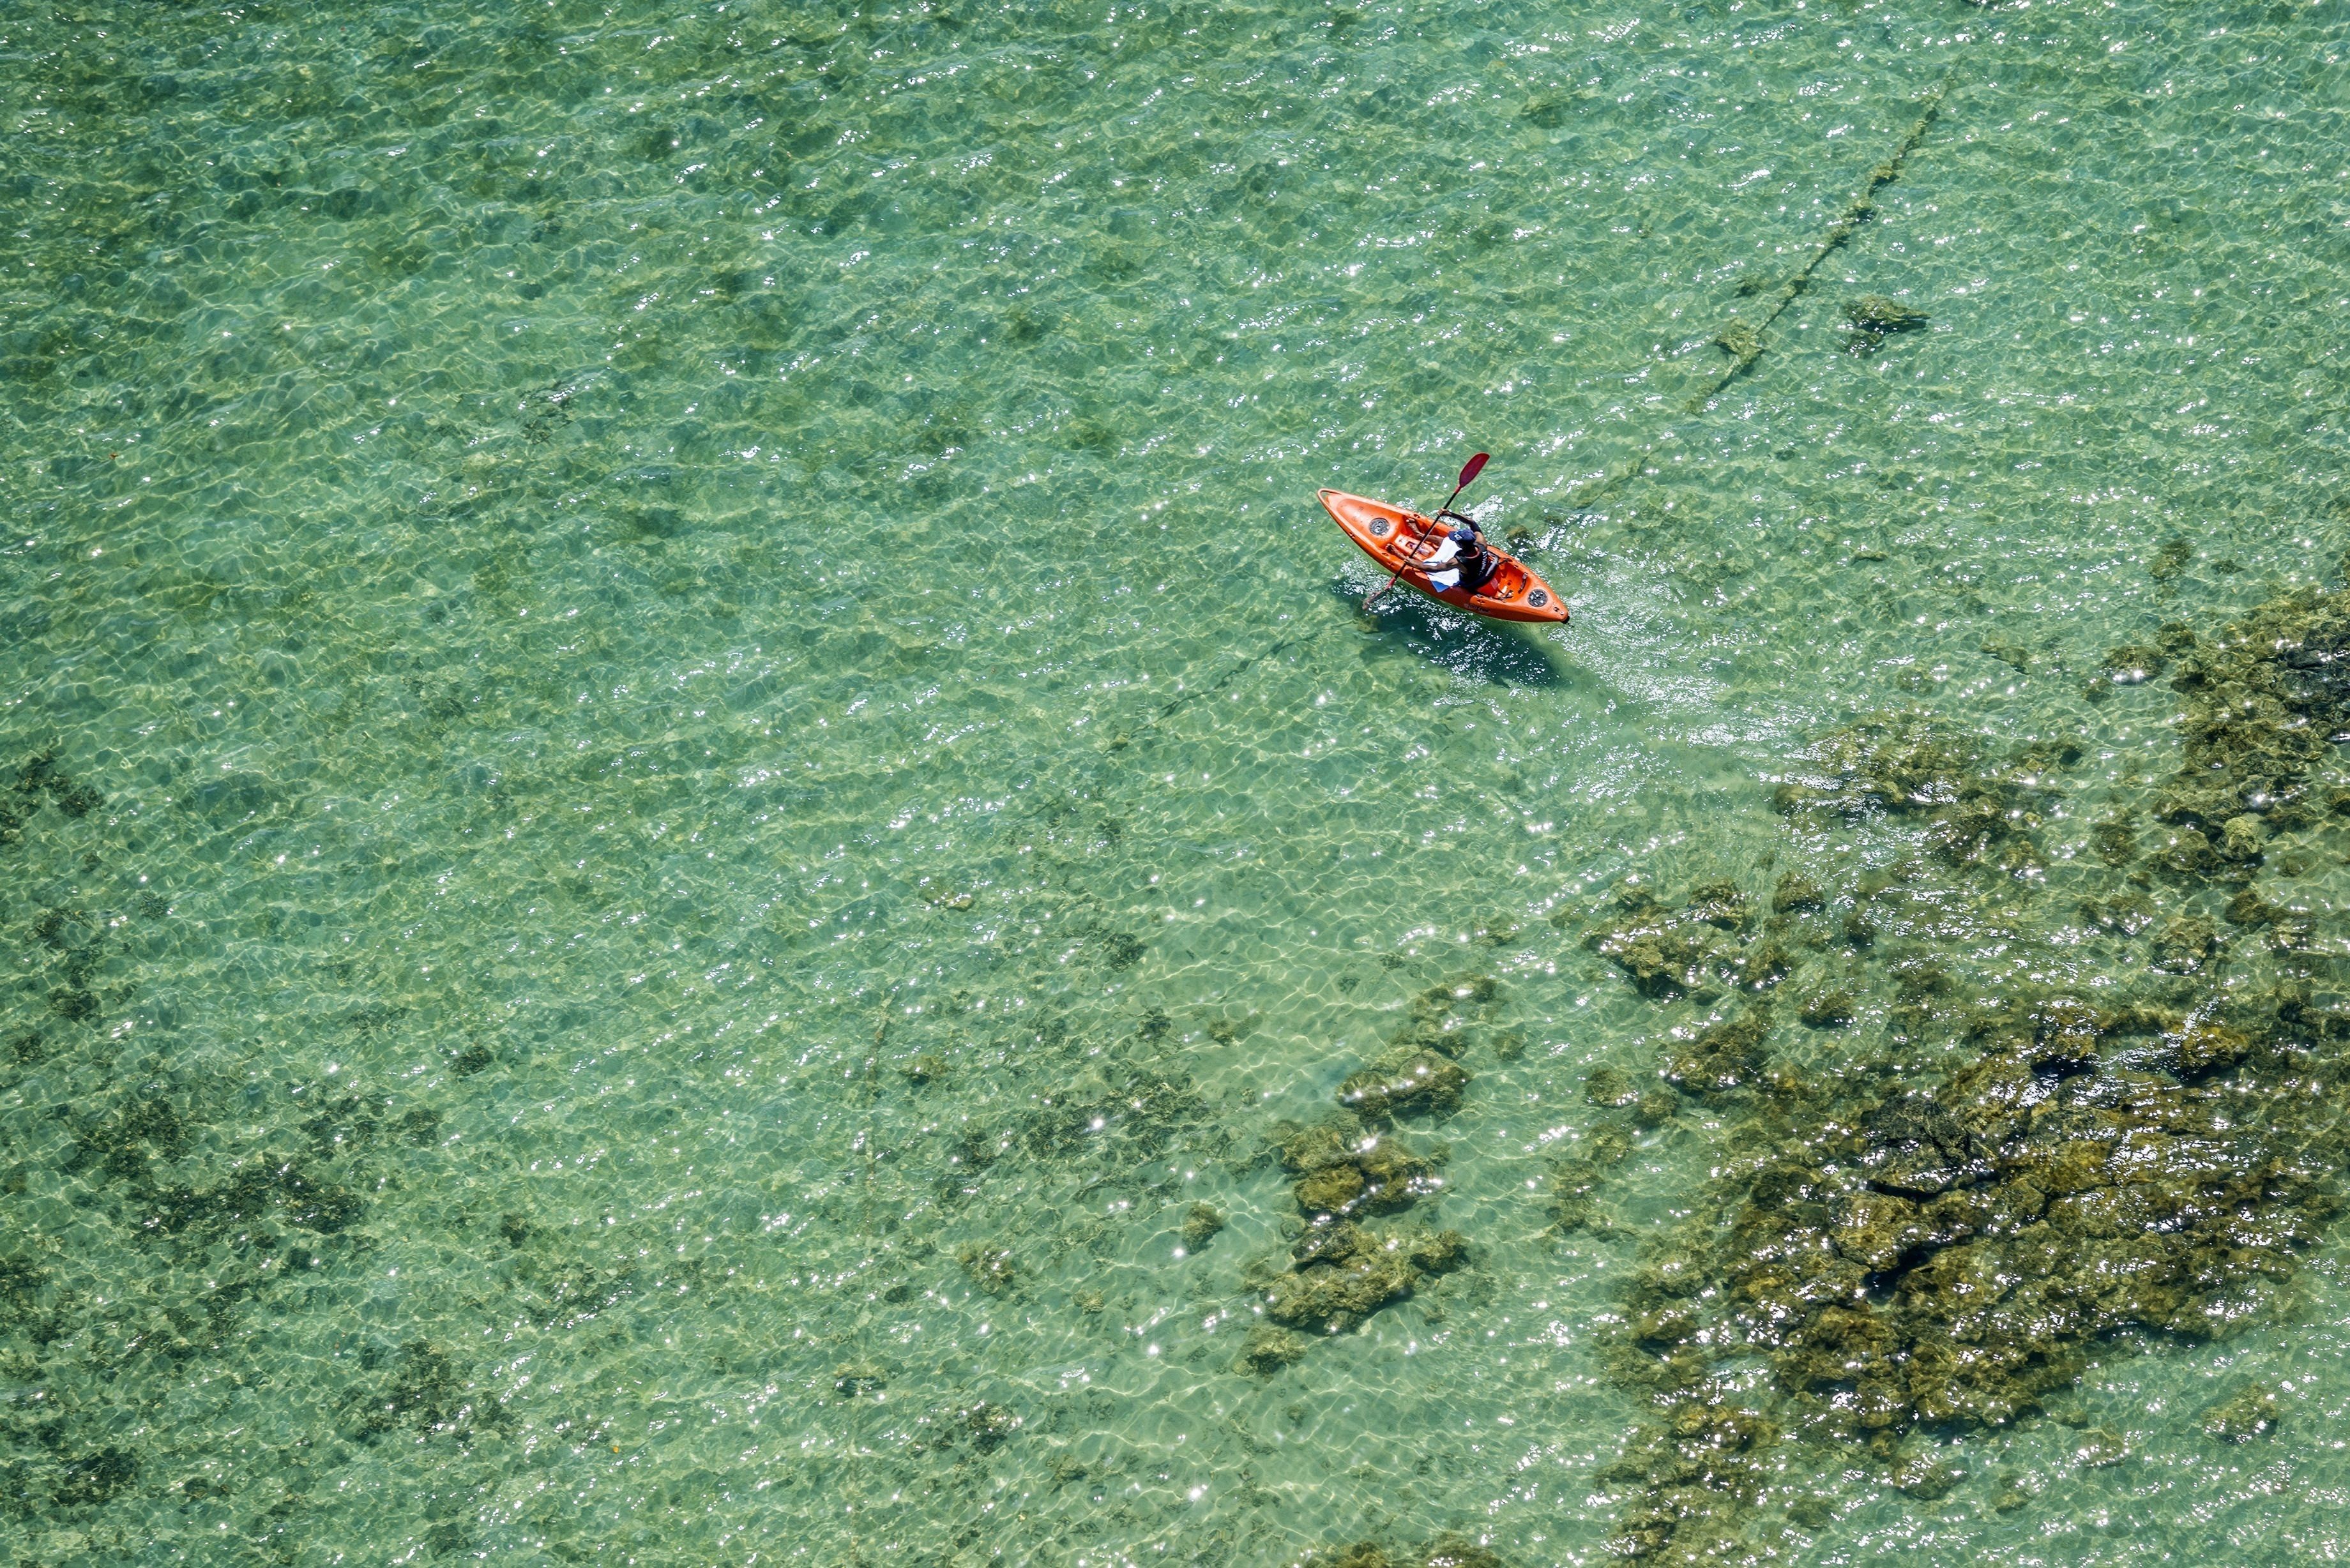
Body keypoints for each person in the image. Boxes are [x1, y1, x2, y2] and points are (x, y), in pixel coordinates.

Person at [1419, 515, 1495, 595]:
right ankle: (1420, 535)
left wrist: (1413, 564)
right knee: (1448, 542)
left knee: (1433, 567)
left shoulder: (1456, 561)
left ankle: (1420, 537)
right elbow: (1472, 522)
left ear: (1461, 545)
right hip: (1483, 572)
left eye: (1456, 541)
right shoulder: (1482, 544)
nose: (1455, 541)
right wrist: (1449, 514)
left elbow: (1435, 569)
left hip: (1469, 581)